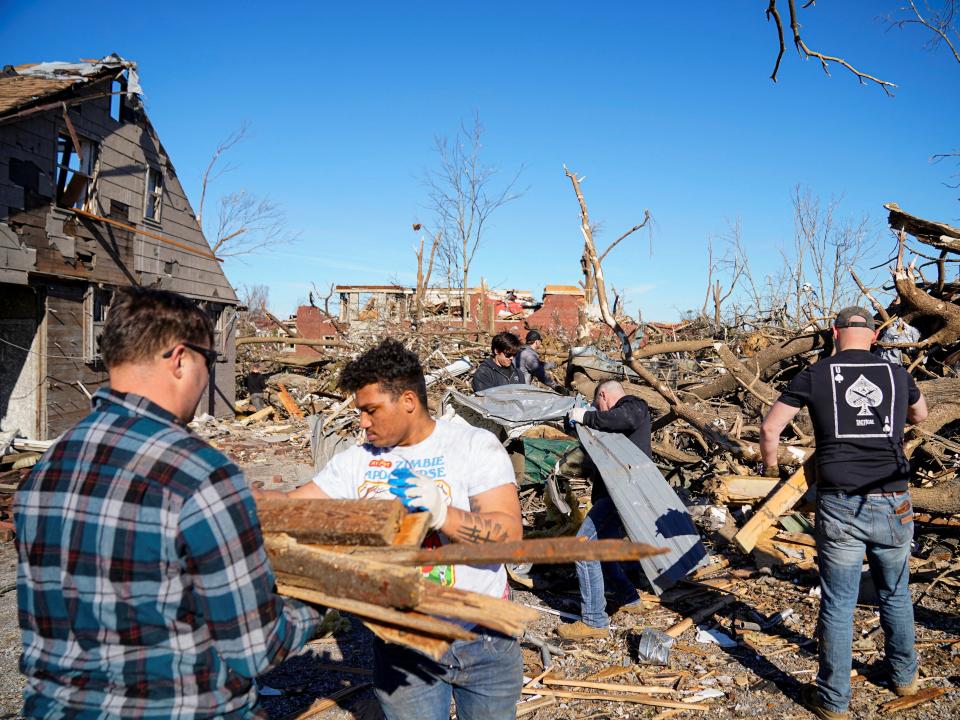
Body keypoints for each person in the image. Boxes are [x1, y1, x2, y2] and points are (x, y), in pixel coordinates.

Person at [14, 287, 320, 718]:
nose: (208, 375)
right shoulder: (202, 475)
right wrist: (318, 603)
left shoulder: (47, 467)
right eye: (209, 361)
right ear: (179, 359)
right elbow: (256, 650)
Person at [288, 339, 523, 720]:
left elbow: (509, 539)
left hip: (484, 639)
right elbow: (297, 506)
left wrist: (443, 515)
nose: (362, 422)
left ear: (409, 402)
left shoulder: (473, 447)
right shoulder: (357, 461)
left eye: (371, 410)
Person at [760, 306, 928, 720]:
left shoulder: (816, 373)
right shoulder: (896, 373)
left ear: (835, 334)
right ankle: (905, 678)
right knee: (895, 592)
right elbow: (920, 415)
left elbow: (770, 429)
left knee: (838, 602)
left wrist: (768, 466)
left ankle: (834, 702)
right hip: (893, 500)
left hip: (839, 502)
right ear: (873, 337)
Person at [558, 380, 651, 639]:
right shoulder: (617, 416)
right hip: (614, 493)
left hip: (624, 491)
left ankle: (594, 621)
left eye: (599, 404)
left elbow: (620, 419)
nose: (599, 410)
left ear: (604, 395)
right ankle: (629, 598)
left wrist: (587, 415)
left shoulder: (634, 406)